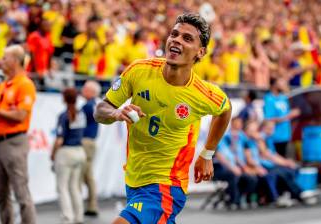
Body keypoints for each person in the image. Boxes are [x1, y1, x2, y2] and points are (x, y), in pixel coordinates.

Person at [94, 13, 232, 224]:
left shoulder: (203, 94)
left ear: (200, 52)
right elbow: (100, 110)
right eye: (174, 34)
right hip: (134, 179)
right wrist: (115, 113)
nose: (176, 40)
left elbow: (224, 110)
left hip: (168, 184)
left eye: (187, 38)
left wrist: (207, 153)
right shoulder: (139, 71)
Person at [0, 45, 37, 224]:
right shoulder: (2, 86)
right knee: (1, 194)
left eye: (5, 58)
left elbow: (20, 115)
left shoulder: (25, 84)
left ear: (16, 61)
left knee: (21, 192)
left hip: (14, 141)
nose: (1, 61)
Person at [51, 88, 87, 224]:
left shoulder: (64, 115)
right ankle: (79, 216)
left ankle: (68, 218)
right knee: (74, 186)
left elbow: (59, 139)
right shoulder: (81, 113)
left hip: (66, 152)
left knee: (62, 187)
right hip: (79, 151)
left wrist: (53, 154)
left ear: (65, 99)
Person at [263, 78, 300, 157]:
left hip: (285, 135)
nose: (284, 84)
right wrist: (288, 116)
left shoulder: (283, 97)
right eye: (281, 82)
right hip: (275, 136)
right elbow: (269, 119)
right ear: (274, 84)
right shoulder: (269, 99)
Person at [81, 80, 101, 216]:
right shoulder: (95, 105)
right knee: (88, 175)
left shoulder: (88, 106)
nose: (83, 90)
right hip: (91, 142)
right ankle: (91, 204)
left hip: (85, 142)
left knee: (85, 175)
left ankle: (91, 205)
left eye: (85, 88)